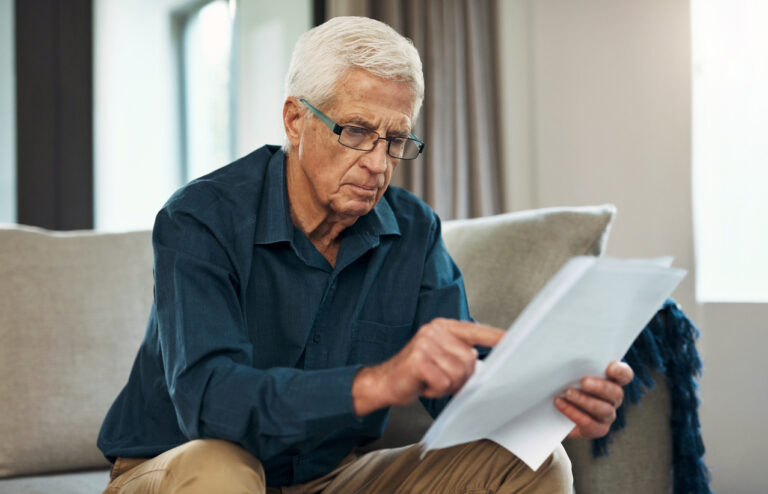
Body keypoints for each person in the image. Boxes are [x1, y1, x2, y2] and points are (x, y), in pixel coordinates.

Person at [98, 16, 633, 494]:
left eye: (395, 139)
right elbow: (209, 401)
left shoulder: (414, 230)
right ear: (294, 120)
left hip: (327, 476)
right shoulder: (201, 217)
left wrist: (551, 403)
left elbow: (463, 391)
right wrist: (380, 381)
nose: (379, 163)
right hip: (179, 466)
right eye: (356, 131)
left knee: (533, 463)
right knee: (222, 470)